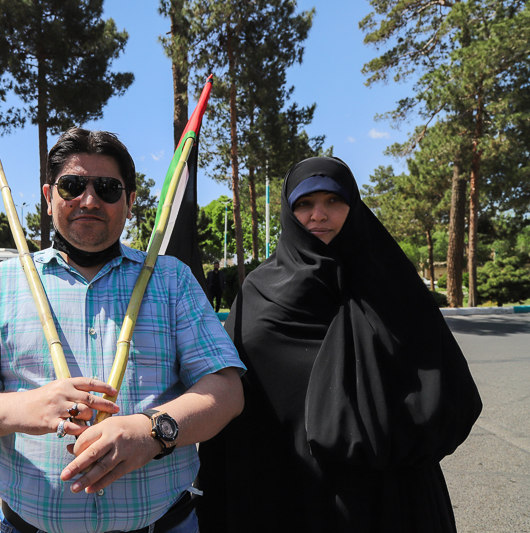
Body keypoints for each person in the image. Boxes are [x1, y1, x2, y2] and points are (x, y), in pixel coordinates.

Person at [0, 128, 245, 533]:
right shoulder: (0, 285)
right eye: (72, 186)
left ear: (130, 202)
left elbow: (226, 390)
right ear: (49, 197)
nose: (90, 200)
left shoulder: (171, 280)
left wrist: (152, 431)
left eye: (108, 188)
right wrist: (23, 408)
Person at [197, 156, 482, 532]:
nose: (319, 215)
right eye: (304, 203)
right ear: (288, 211)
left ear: (354, 206)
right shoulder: (258, 293)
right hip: (284, 489)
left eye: (333, 200)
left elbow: (444, 391)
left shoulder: (392, 286)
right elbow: (234, 402)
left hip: (384, 494)